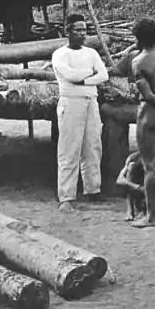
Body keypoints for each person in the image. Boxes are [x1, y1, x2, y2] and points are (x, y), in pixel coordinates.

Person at [109, 18, 155, 227]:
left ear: (137, 39)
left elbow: (148, 96)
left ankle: (151, 216)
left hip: (149, 115)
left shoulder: (138, 61)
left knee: (151, 166)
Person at [51, 13, 109, 213]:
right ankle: (66, 196)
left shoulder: (91, 53)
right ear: (68, 31)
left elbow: (104, 75)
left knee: (93, 146)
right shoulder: (60, 54)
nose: (82, 34)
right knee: (69, 148)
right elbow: (69, 75)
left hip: (90, 101)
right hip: (71, 102)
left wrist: (85, 80)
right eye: (77, 30)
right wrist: (90, 74)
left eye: (84, 30)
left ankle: (93, 189)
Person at [116, 151, 155, 222]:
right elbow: (119, 179)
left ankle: (149, 210)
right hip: (140, 187)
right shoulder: (133, 158)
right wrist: (136, 187)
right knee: (131, 169)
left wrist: (153, 189)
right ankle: (130, 211)